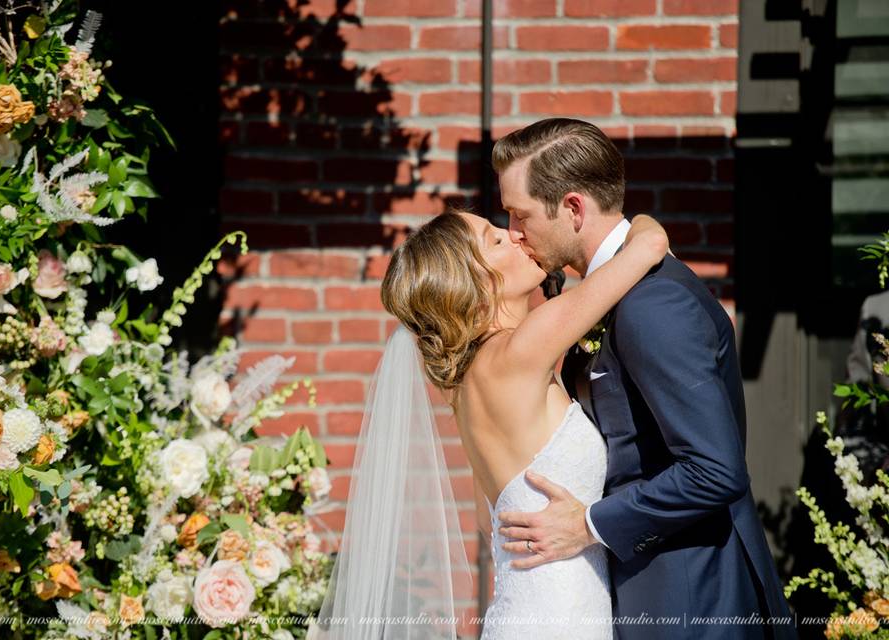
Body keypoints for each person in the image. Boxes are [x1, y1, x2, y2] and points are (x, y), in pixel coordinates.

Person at [492, 118, 796, 639]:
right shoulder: (612, 289)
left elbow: (715, 470)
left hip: (689, 597)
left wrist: (588, 524)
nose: (515, 233)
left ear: (572, 208)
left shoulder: (653, 304)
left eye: (520, 216)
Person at [314, 203, 668, 639]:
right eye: (495, 239)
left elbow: (490, 523)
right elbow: (650, 244)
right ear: (476, 283)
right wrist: (634, 220)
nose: (515, 235)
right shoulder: (520, 350)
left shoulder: (465, 383)